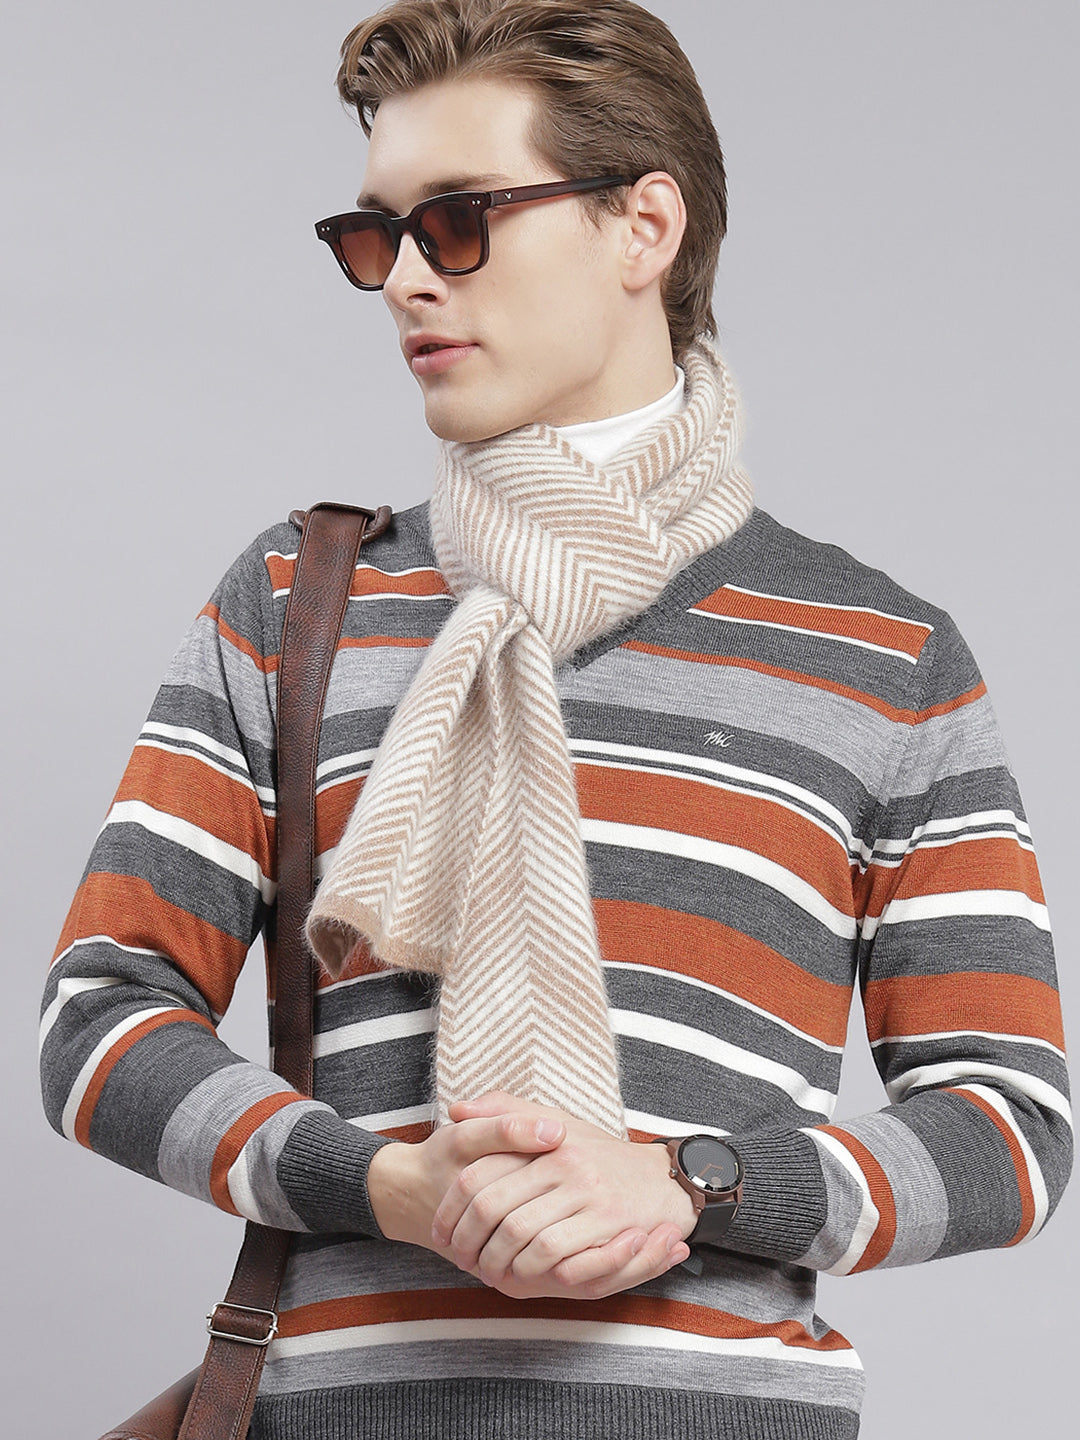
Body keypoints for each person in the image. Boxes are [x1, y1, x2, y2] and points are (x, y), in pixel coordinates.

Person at [40, 2, 1071, 1438]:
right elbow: (99, 1018)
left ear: (643, 226)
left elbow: (1011, 1122)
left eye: (458, 221)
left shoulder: (885, 652)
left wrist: (693, 1183)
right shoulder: (297, 603)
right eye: (377, 234)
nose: (405, 279)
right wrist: (380, 1184)